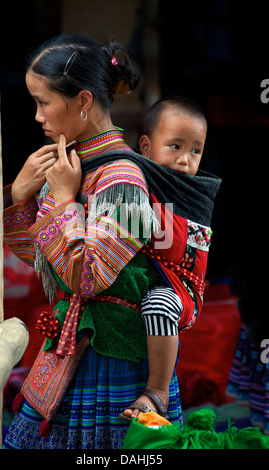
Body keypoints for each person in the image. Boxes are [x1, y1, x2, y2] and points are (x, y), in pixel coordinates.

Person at [2, 34, 183, 450]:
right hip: (73, 348)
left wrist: (64, 202)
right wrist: (20, 199)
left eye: (43, 102)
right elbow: (44, 261)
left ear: (83, 100)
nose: (36, 116)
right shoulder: (70, 166)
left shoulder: (124, 181)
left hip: (115, 361)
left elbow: (86, 279)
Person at [118, 96, 212, 422]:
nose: (185, 160)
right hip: (153, 279)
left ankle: (156, 390)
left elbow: (169, 244)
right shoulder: (135, 176)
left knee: (157, 305)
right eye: (175, 146)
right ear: (146, 146)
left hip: (181, 289)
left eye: (195, 150)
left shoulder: (192, 195)